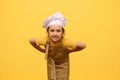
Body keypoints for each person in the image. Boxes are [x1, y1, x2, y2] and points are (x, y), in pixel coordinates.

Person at [29, 12, 86, 80]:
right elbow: (31, 41)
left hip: (63, 64)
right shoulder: (45, 40)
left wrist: (70, 51)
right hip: (51, 64)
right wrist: (41, 50)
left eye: (58, 31)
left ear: (63, 33)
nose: (55, 34)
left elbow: (83, 45)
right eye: (52, 31)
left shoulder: (65, 41)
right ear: (48, 32)